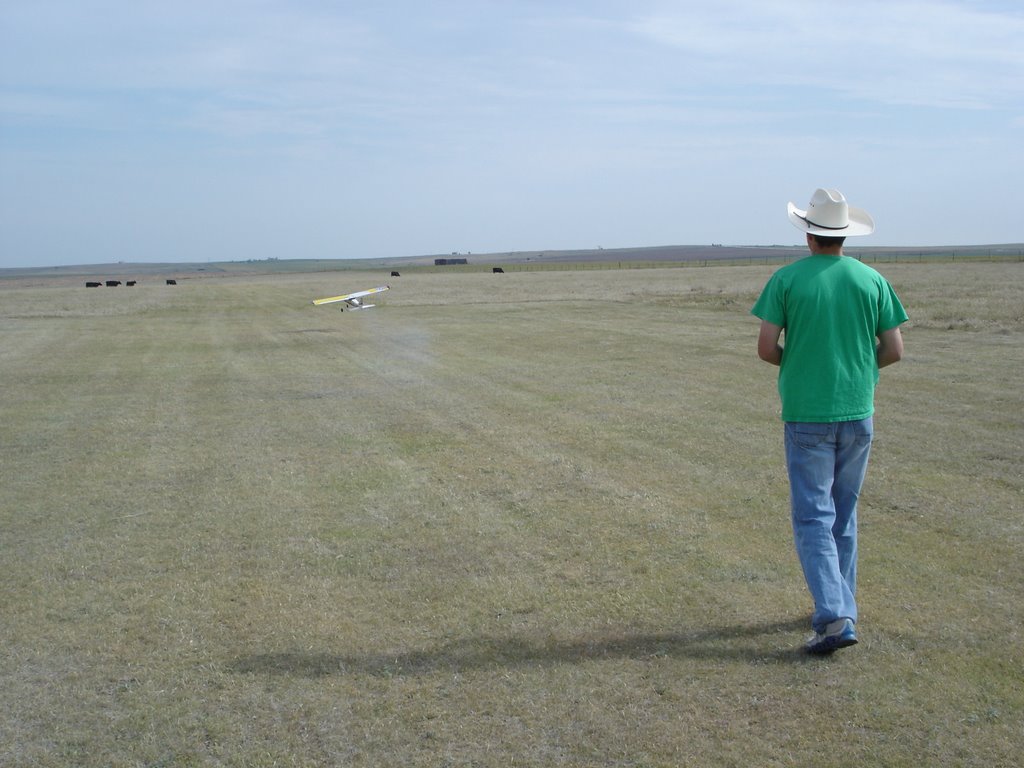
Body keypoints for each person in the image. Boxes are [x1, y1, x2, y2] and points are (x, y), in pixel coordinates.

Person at [751, 188, 908, 654]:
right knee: (843, 514)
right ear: (843, 236)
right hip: (859, 412)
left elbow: (765, 348)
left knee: (813, 516)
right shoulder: (871, 279)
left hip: (806, 414)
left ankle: (835, 616)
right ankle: (840, 602)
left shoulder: (786, 280)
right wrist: (855, 371)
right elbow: (894, 350)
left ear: (808, 235)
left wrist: (802, 363)